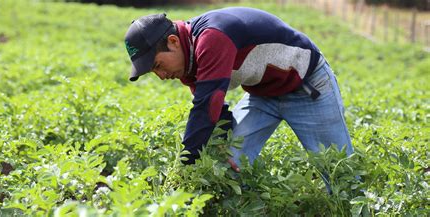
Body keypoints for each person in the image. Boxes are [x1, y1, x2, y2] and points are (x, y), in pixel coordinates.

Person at [124, 7, 355, 191]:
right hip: (262, 94)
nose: (162, 76)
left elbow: (206, 108)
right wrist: (222, 142)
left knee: (340, 175)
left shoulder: (212, 38)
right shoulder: (186, 61)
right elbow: (216, 111)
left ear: (174, 42)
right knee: (229, 163)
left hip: (307, 87)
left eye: (158, 66)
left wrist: (183, 171)